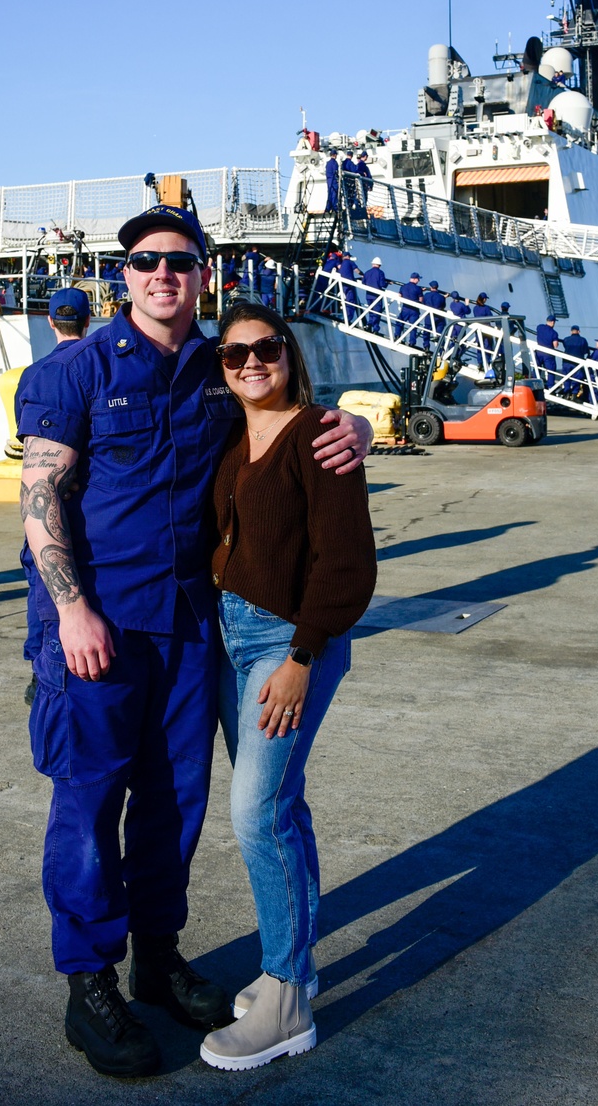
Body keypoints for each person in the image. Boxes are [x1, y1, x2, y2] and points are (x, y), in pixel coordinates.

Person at [17, 204, 372, 1080]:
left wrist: (355, 430)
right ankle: (88, 982)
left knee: (177, 802)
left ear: (203, 272)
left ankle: (157, 955)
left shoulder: (223, 368)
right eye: (145, 261)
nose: (163, 274)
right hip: (96, 628)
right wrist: (71, 612)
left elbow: (284, 424)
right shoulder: (77, 370)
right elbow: (41, 500)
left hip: (189, 629)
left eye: (180, 259)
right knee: (91, 803)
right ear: (123, 274)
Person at [200, 304, 376, 1071]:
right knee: (279, 807)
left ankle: (286, 1000)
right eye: (234, 355)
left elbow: (348, 564)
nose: (250, 363)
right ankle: (294, 966)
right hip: (232, 638)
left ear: (287, 352)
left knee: (254, 814)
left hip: (287, 642)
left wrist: (302, 657)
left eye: (264, 349)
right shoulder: (234, 435)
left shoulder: (319, 434)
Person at [16, 288, 92, 704]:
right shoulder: (98, 369)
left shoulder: (36, 374)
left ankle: (39, 670)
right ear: (89, 319)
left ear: (49, 322)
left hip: (46, 508)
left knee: (41, 586)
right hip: (87, 516)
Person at [560, 324, 590, 400]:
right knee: (577, 378)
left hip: (566, 362)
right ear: (579, 331)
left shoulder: (566, 339)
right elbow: (586, 350)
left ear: (571, 331)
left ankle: (566, 392)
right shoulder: (583, 340)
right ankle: (574, 393)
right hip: (577, 363)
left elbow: (565, 346)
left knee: (566, 377)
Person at [397, 273, 424, 346]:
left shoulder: (403, 287)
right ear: (415, 279)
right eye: (418, 279)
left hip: (405, 308)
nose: (418, 281)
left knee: (400, 322)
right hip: (414, 311)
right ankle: (412, 343)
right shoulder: (418, 289)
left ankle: (397, 336)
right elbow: (421, 300)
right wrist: (421, 292)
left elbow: (399, 296)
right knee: (413, 327)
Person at [362, 257, 388, 334]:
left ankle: (369, 324)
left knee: (370, 311)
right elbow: (382, 284)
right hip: (377, 296)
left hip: (369, 295)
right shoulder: (380, 273)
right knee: (377, 312)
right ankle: (375, 328)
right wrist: (387, 284)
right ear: (379, 265)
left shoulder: (367, 272)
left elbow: (363, 282)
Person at [535, 315, 560, 388]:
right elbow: (555, 345)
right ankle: (550, 387)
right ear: (552, 322)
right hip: (548, 354)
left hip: (538, 352)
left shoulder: (540, 327)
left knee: (537, 368)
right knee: (551, 371)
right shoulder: (554, 333)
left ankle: (534, 384)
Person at [338, 250, 360, 324]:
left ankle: (346, 317)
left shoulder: (341, 264)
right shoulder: (350, 262)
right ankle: (348, 318)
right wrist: (363, 275)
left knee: (347, 300)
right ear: (347, 256)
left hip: (343, 284)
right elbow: (357, 271)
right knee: (351, 301)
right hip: (349, 284)